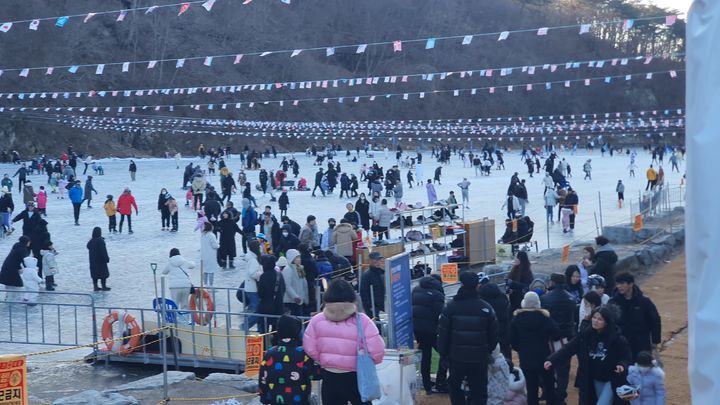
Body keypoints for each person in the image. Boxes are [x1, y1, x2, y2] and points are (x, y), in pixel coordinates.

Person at [303, 279, 385, 405]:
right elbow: (377, 349)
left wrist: (322, 359)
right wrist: (370, 362)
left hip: (329, 375)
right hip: (356, 375)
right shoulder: (362, 320)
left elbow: (309, 346)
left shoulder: (317, 320)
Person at [545, 307, 632, 405]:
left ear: (606, 322)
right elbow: (568, 349)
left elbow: (626, 357)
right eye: (594, 318)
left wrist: (621, 365)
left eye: (600, 319)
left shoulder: (617, 339)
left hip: (612, 379)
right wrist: (552, 360)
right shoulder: (584, 336)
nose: (595, 321)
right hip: (593, 378)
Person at [437, 271, 498, 405]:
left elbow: (443, 334)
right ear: (477, 286)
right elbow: (494, 336)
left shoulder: (451, 307)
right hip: (479, 357)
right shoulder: (486, 308)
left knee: (455, 387)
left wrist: (444, 354)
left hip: (456, 357)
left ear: (462, 284)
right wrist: (487, 350)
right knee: (479, 390)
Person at [510, 291, 562, 405]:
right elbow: (557, 334)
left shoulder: (517, 319)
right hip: (545, 357)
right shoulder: (545, 317)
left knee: (531, 389)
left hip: (526, 358)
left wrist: (521, 349)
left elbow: (513, 341)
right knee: (549, 387)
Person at [259, 315, 321, 405]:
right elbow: (312, 374)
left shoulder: (270, 353)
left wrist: (264, 399)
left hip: (275, 400)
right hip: (299, 400)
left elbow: (263, 378)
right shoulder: (303, 353)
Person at [541, 273, 577, 403]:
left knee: (548, 365)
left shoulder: (545, 298)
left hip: (550, 337)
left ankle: (549, 392)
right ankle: (561, 395)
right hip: (567, 337)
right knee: (563, 368)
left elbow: (543, 320)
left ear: (553, 282)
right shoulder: (571, 298)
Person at [610, 272, 662, 360]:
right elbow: (608, 322)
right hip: (620, 345)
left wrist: (655, 341)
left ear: (630, 284)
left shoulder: (644, 302)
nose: (619, 286)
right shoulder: (613, 302)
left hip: (641, 345)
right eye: (617, 283)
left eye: (622, 283)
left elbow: (655, 321)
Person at [412, 274, 448, 395]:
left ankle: (427, 385)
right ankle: (441, 383)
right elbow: (439, 314)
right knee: (445, 353)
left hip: (418, 329)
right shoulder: (438, 295)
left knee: (425, 357)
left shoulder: (416, 289)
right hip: (432, 330)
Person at [477, 272, 511, 358]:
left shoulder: (480, 299)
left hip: (489, 330)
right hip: (504, 327)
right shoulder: (502, 295)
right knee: (506, 354)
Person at [257, 254, 286, 334]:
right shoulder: (279, 275)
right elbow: (284, 289)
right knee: (276, 330)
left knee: (263, 330)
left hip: (266, 307)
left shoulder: (264, 276)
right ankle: (275, 344)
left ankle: (265, 345)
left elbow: (260, 294)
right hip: (279, 306)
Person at [242, 239, 263, 331]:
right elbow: (252, 273)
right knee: (257, 309)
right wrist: (260, 274)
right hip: (253, 288)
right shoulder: (253, 260)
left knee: (254, 309)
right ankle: (244, 326)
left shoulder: (250, 258)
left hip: (250, 287)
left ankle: (247, 326)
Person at [1, 236, 30, 301]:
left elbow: (15, 259)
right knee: (17, 284)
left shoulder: (17, 246)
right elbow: (25, 260)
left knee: (10, 283)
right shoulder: (23, 249)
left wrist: (19, 268)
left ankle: (9, 297)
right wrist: (29, 268)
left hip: (7, 267)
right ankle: (13, 299)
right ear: (27, 242)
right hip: (11, 269)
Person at [281, 249, 308, 316]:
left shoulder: (300, 268)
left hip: (300, 300)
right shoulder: (287, 269)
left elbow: (304, 283)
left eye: (299, 257)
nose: (299, 259)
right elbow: (287, 285)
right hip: (290, 301)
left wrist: (305, 298)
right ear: (291, 258)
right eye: (296, 257)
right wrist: (295, 297)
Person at [359, 251, 385, 318]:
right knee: (375, 324)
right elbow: (363, 293)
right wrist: (370, 306)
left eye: (379, 260)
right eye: (375, 260)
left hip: (380, 303)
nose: (377, 262)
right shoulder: (366, 275)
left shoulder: (381, 272)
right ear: (370, 261)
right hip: (372, 305)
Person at [87, 227, 110, 291]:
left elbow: (88, 246)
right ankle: (104, 286)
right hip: (101, 261)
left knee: (95, 274)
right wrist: (106, 258)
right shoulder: (100, 241)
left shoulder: (91, 241)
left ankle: (95, 286)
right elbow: (104, 251)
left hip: (93, 261)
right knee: (103, 274)